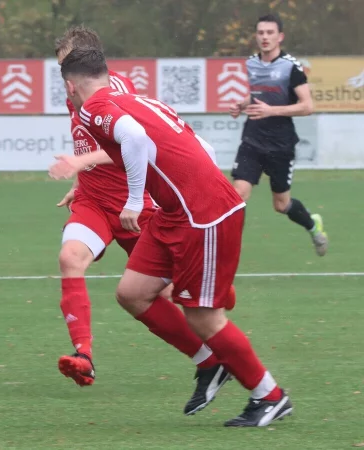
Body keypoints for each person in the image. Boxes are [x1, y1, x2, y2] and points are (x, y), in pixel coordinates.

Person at [49, 47, 292, 427]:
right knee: (132, 293)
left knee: (204, 317)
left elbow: (133, 137)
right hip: (177, 213)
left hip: (202, 216)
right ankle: (210, 364)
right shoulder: (133, 97)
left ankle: (270, 396)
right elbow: (203, 147)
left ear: (69, 84)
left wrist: (135, 199)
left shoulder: (92, 108)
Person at [52, 26, 233, 417]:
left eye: (67, 61)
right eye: (60, 64)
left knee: (168, 295)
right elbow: (94, 143)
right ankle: (84, 354)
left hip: (137, 206)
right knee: (70, 258)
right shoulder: (76, 93)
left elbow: (135, 140)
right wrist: (81, 181)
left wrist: (81, 163)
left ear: (89, 58)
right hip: (95, 202)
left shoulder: (115, 89)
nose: (63, 73)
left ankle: (218, 356)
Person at [230, 13, 327, 256]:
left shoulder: (291, 67)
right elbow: (258, 93)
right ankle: (226, 251)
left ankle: (313, 225)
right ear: (256, 36)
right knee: (237, 195)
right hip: (252, 139)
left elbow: (307, 106)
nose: (265, 37)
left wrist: (271, 110)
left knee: (281, 205)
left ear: (280, 37)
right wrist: (242, 104)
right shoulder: (251, 63)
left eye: (270, 33)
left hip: (280, 145)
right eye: (261, 33)